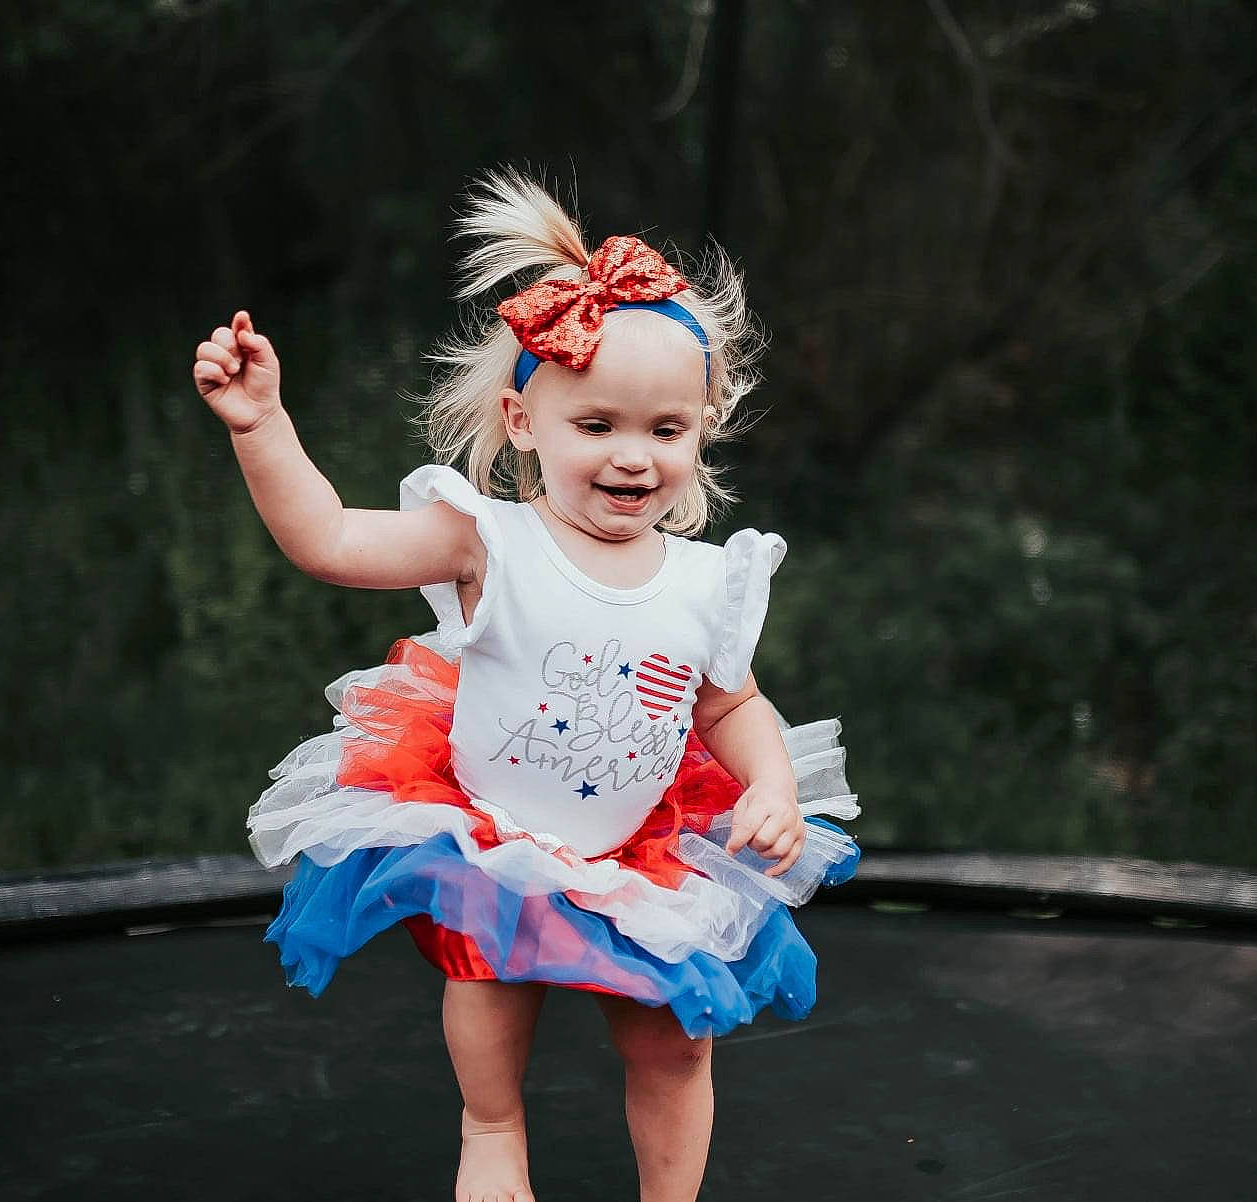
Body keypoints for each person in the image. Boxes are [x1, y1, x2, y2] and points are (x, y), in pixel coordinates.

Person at [192, 169, 860, 1202]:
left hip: (641, 843)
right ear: (522, 420)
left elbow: (731, 703)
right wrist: (260, 426)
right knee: (491, 973)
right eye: (596, 425)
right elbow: (327, 538)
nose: (633, 457)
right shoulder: (486, 542)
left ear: (701, 429)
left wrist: (769, 781)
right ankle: (492, 1126)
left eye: (665, 430)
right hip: (496, 824)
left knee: (675, 1042)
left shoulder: (705, 579)